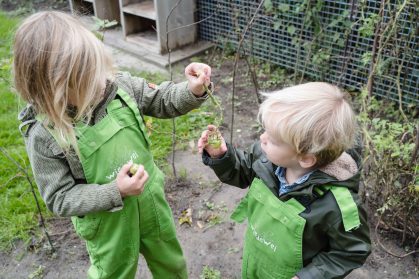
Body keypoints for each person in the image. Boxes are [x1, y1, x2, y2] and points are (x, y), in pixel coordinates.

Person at [15, 11, 212, 279]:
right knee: (113, 273)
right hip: (108, 223)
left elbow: (161, 99)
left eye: (99, 69)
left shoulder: (119, 87)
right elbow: (59, 197)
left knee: (172, 264)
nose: (101, 82)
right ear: (54, 90)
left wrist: (192, 90)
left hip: (151, 203)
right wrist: (114, 191)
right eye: (87, 79)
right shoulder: (45, 135)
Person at [198, 82, 371, 279]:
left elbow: (351, 252)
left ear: (305, 158)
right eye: (265, 131)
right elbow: (241, 172)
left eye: (272, 139)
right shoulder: (265, 159)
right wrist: (221, 156)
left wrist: (308, 277)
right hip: (256, 259)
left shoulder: (338, 205)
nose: (262, 138)